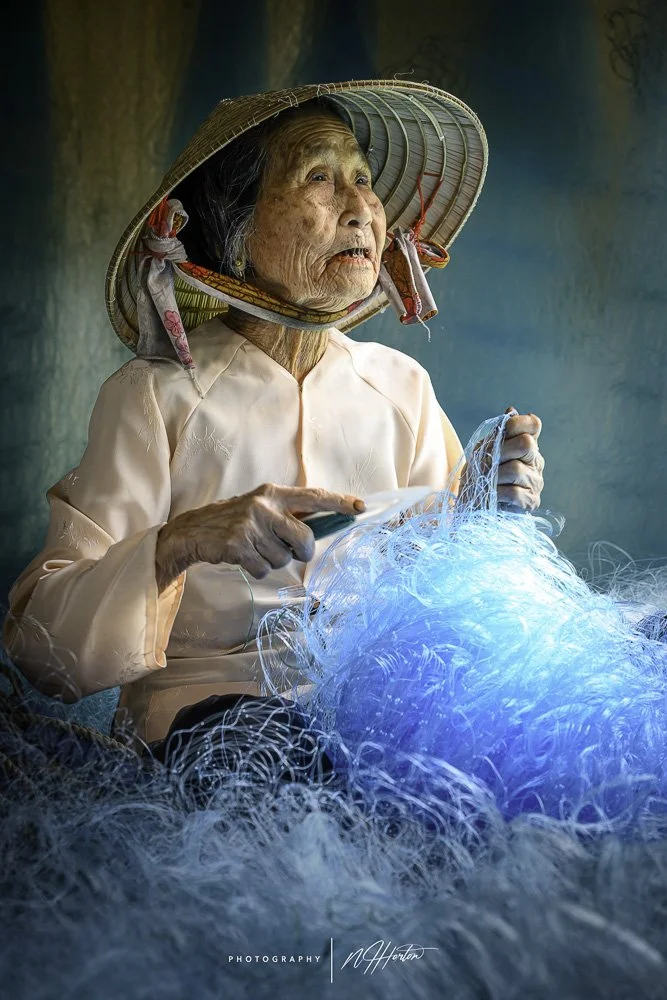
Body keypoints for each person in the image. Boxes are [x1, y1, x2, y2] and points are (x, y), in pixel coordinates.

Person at [3, 80, 544, 772]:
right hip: (211, 728)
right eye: (318, 177)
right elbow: (44, 647)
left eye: (363, 180)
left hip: (380, 714)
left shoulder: (400, 387)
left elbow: (436, 583)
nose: (360, 210)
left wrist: (483, 507)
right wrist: (179, 542)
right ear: (235, 229)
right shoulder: (155, 397)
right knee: (270, 750)